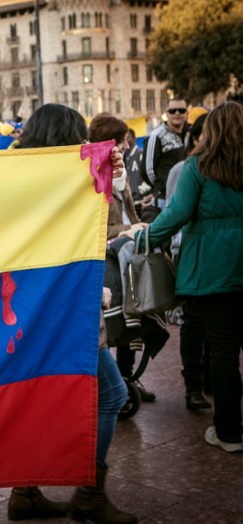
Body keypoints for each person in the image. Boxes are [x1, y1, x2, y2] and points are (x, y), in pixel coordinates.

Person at [8, 104, 136, 524]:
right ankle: (88, 495)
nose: (84, 144)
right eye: (78, 136)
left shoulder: (18, 179)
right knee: (112, 394)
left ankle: (25, 493)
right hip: (67, 309)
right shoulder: (62, 183)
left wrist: (110, 164)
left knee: (36, 399)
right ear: (64, 138)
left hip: (28, 310)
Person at [125, 102, 243, 453]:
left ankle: (229, 432)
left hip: (213, 271)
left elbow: (175, 214)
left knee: (222, 353)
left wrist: (143, 238)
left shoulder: (198, 167)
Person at [88, 114, 158, 404]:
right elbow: (98, 228)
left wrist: (139, 226)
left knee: (134, 320)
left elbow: (131, 212)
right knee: (113, 324)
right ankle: (113, 385)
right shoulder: (93, 175)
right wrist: (132, 228)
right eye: (123, 141)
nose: (128, 146)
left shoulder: (121, 173)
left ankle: (127, 378)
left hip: (129, 255)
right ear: (111, 143)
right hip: (108, 261)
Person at [164, 113, 212, 411]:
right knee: (193, 323)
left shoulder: (226, 166)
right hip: (189, 253)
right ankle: (194, 386)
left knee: (217, 325)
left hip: (215, 255)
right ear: (194, 138)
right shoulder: (185, 169)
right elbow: (174, 212)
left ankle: (209, 380)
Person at [144, 97, 188, 209]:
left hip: (188, 195)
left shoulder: (190, 135)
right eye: (172, 111)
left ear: (187, 113)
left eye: (181, 110)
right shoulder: (156, 136)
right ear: (166, 114)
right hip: (165, 199)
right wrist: (162, 187)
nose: (177, 113)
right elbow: (147, 170)